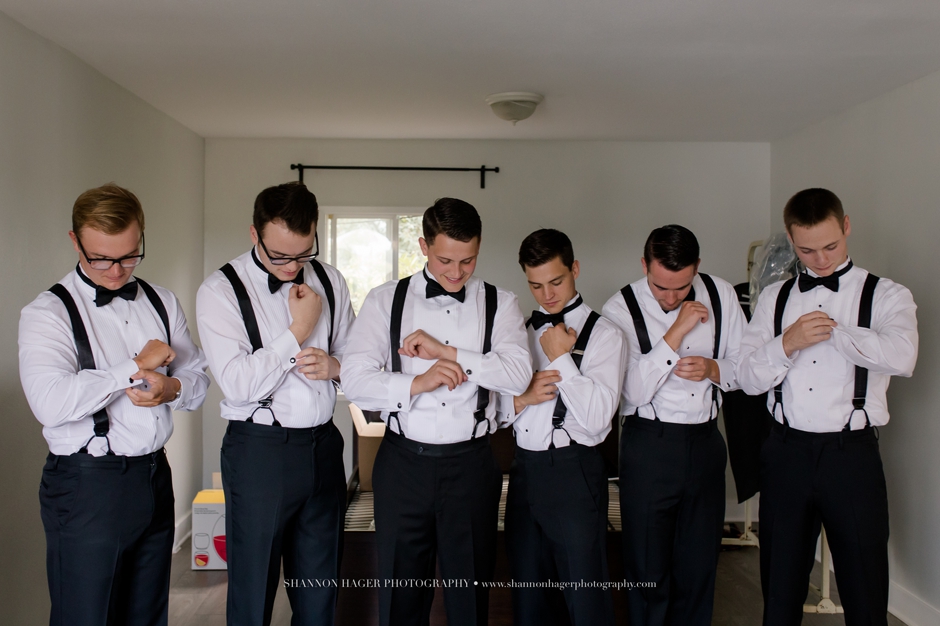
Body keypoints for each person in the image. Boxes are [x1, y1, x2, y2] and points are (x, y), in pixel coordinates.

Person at [19, 183, 210, 626]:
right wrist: (134, 365)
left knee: (146, 616)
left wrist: (172, 389)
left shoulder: (162, 301)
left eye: (129, 255)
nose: (116, 270)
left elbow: (199, 382)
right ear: (74, 241)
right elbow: (50, 403)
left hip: (154, 477)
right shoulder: (48, 313)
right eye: (101, 258)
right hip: (86, 487)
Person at [341, 197, 530, 626]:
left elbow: (518, 376)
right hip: (402, 463)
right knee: (400, 596)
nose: (456, 272)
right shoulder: (384, 300)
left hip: (472, 464)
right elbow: (354, 380)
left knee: (469, 596)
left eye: (468, 260)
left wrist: (450, 353)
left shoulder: (501, 303)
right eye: (446, 259)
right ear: (424, 245)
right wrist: (419, 381)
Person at [736, 188, 918, 626]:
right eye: (807, 250)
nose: (820, 260)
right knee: (779, 589)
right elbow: (745, 376)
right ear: (791, 239)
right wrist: (787, 343)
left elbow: (902, 357)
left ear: (847, 225)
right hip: (785, 454)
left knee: (864, 588)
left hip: (851, 455)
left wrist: (836, 332)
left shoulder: (887, 295)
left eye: (831, 246)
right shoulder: (773, 299)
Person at [196, 181, 355, 626]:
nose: (292, 266)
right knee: (253, 591)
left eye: (302, 253)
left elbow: (355, 359)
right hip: (259, 452)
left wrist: (336, 366)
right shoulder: (220, 291)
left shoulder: (330, 279)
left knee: (320, 592)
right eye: (279, 256)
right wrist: (298, 331)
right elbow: (236, 382)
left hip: (324, 448)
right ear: (254, 234)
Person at [602, 224, 746, 626]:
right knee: (647, 567)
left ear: (697, 268)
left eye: (681, 288)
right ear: (644, 265)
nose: (669, 297)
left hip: (705, 441)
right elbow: (629, 392)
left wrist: (715, 369)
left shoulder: (722, 294)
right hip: (649, 444)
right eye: (660, 287)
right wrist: (676, 331)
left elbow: (745, 370)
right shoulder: (620, 308)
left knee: (699, 563)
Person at [499, 228, 625, 626]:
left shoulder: (605, 335)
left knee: (584, 598)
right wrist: (521, 397)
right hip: (523, 473)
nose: (547, 295)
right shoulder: (516, 332)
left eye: (556, 281)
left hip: (574, 472)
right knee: (529, 598)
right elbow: (496, 412)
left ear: (575, 269)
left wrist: (560, 360)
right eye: (535, 285)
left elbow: (597, 420)